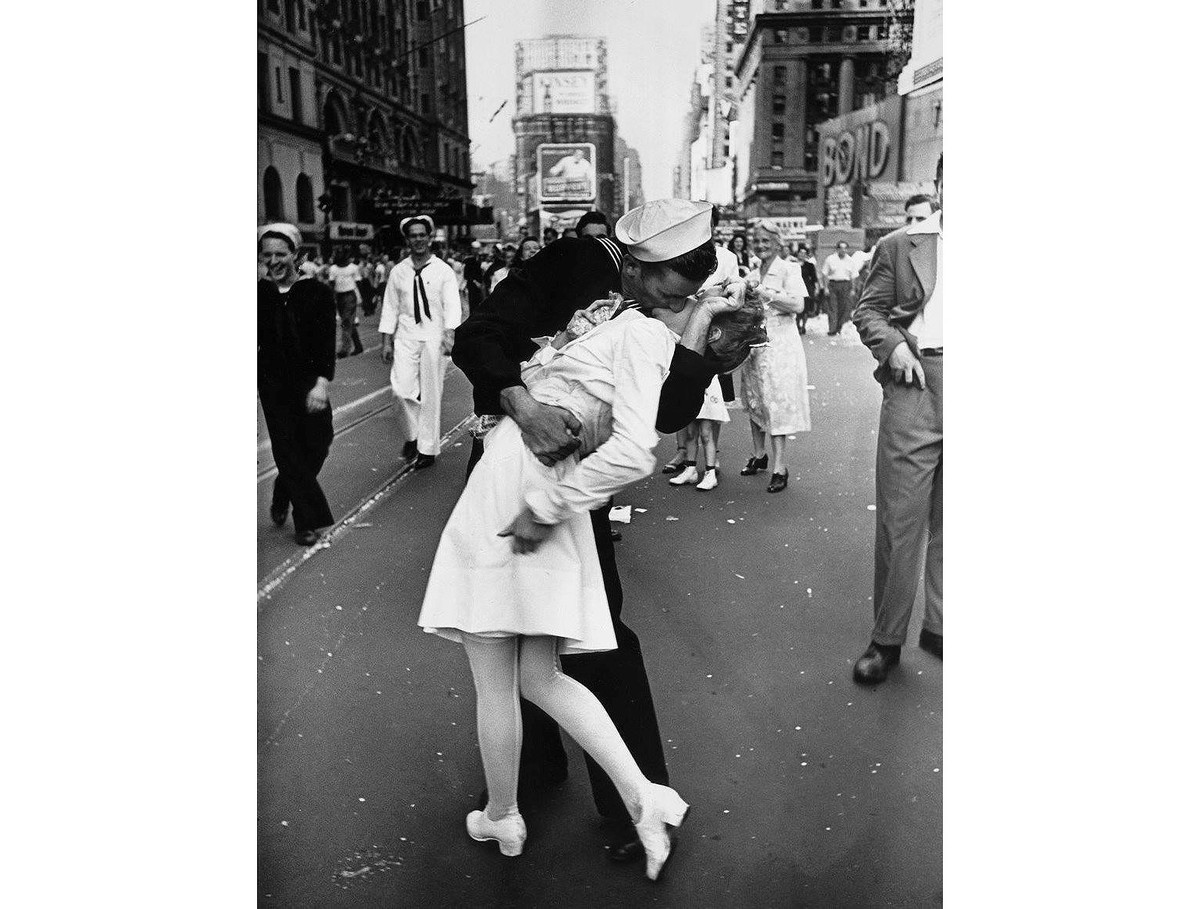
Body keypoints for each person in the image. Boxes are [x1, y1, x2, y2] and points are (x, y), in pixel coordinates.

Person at [451, 198, 733, 865]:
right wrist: (523, 405)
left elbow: (665, 415)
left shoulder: (676, 311)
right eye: (667, 286)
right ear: (639, 261)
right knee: (513, 625)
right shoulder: (576, 261)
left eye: (687, 293)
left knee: (594, 627)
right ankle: (529, 771)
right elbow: (479, 336)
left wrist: (698, 347)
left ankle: (632, 797)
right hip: (510, 458)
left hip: (577, 480)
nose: (672, 300)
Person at [850, 156, 943, 685]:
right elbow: (869, 312)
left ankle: (940, 627)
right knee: (901, 521)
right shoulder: (901, 245)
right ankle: (886, 641)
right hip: (917, 383)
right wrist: (893, 348)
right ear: (940, 186)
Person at [257, 223, 337, 546]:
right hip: (272, 384)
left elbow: (326, 342)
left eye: (281, 254)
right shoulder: (257, 294)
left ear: (296, 255)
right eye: (267, 255)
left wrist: (321, 383)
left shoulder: (317, 293)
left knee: (319, 442)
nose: (273, 261)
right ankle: (307, 521)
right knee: (287, 448)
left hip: (308, 382)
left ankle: (284, 487)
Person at [378, 215, 462, 468]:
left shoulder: (443, 270)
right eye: (413, 235)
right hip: (405, 336)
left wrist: (450, 335)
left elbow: (452, 304)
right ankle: (413, 436)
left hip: (434, 337)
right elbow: (390, 307)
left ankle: (427, 449)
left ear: (429, 237)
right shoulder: (398, 271)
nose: (418, 240)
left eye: (422, 235)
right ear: (407, 239)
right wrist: (385, 342)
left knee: (431, 393)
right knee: (401, 390)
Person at [668, 205, 742, 490]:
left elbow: (734, 294)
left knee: (712, 405)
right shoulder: (678, 255)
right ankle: (686, 456)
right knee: (681, 395)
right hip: (682, 331)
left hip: (715, 335)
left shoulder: (727, 258)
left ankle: (712, 460)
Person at [739, 221, 812, 493]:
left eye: (766, 241)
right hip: (754, 342)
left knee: (776, 401)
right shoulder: (752, 272)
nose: (760, 246)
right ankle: (759, 455)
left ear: (778, 243)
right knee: (755, 399)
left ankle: (780, 467)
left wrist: (763, 293)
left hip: (781, 342)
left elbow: (797, 304)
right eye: (756, 241)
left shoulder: (790, 269)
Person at [327, 249, 364, 357]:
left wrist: (361, 298)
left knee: (347, 321)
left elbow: (359, 282)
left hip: (350, 296)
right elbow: (331, 283)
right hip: (339, 296)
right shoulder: (333, 269)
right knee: (348, 322)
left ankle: (344, 349)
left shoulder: (353, 268)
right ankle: (358, 346)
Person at [822, 241, 857, 337]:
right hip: (833, 284)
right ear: (837, 249)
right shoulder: (830, 259)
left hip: (845, 285)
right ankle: (832, 329)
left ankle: (839, 327)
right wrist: (825, 288)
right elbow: (825, 274)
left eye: (845, 248)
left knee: (843, 307)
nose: (843, 250)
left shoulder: (850, 261)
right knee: (832, 307)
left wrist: (853, 289)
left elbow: (853, 276)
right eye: (841, 248)